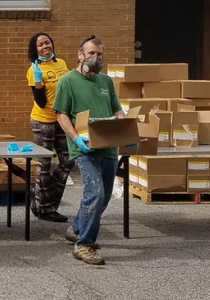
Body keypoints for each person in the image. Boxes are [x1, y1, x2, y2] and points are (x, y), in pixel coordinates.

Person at [54, 36, 125, 265]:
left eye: (100, 55)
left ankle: (76, 228)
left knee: (102, 198)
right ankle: (84, 244)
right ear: (80, 54)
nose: (96, 58)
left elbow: (117, 111)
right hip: (84, 148)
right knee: (93, 194)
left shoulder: (106, 82)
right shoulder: (68, 81)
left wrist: (128, 129)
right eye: (92, 53)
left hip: (108, 147)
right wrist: (75, 138)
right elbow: (61, 114)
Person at [26, 32, 74, 223]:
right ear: (35, 49)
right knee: (44, 164)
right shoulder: (34, 70)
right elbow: (40, 101)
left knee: (68, 160)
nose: (45, 46)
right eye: (40, 45)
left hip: (62, 118)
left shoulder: (61, 63)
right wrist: (38, 82)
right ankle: (46, 209)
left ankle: (40, 198)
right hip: (43, 120)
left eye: (47, 42)